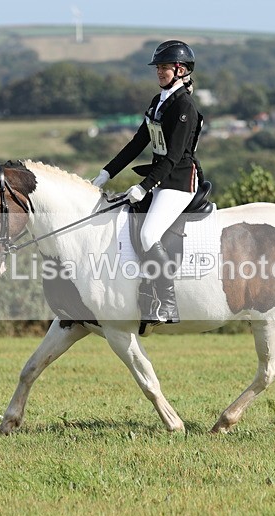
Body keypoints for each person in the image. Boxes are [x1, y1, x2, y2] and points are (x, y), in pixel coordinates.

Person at [92, 40, 203, 326]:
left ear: (181, 70)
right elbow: (136, 143)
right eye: (159, 68)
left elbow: (174, 156)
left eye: (165, 67)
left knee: (148, 234)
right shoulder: (159, 102)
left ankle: (167, 304)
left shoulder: (184, 106)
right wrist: (107, 172)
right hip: (161, 178)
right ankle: (141, 291)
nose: (160, 72)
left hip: (178, 182)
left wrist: (145, 186)